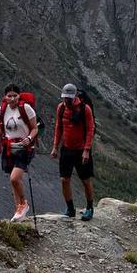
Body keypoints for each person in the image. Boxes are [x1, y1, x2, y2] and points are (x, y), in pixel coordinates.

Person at [0, 83, 38, 221]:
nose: (12, 99)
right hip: (9, 148)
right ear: (5, 97)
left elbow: (35, 128)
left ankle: (23, 204)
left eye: (15, 96)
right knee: (13, 181)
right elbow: (0, 131)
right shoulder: (2, 110)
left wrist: (29, 138)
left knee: (14, 178)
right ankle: (19, 212)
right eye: (9, 96)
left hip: (24, 148)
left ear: (19, 96)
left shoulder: (26, 108)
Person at [50, 83, 95, 220]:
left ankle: (89, 208)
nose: (67, 100)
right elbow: (59, 127)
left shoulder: (84, 108)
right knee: (64, 179)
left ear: (75, 96)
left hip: (81, 149)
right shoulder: (61, 108)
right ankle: (70, 209)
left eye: (69, 98)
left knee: (86, 181)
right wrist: (55, 147)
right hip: (67, 149)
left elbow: (90, 129)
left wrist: (86, 150)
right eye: (65, 98)